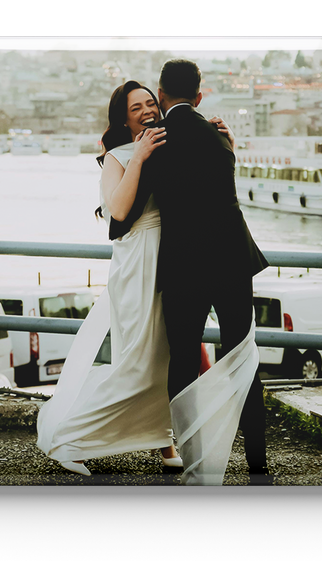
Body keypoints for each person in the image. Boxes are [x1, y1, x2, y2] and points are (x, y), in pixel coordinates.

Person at [110, 59, 270, 485]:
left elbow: (124, 216)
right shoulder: (220, 137)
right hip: (234, 259)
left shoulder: (156, 140)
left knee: (182, 362)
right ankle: (258, 463)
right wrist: (231, 148)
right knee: (241, 358)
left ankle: (195, 459)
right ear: (199, 97)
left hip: (184, 265)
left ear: (161, 95)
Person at [36, 80, 182, 475]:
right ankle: (70, 439)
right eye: (136, 108)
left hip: (169, 258)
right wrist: (139, 156)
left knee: (163, 357)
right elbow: (118, 210)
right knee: (137, 360)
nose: (147, 111)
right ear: (124, 120)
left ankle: (164, 441)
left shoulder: (171, 145)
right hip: (138, 262)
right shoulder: (118, 156)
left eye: (150, 103)